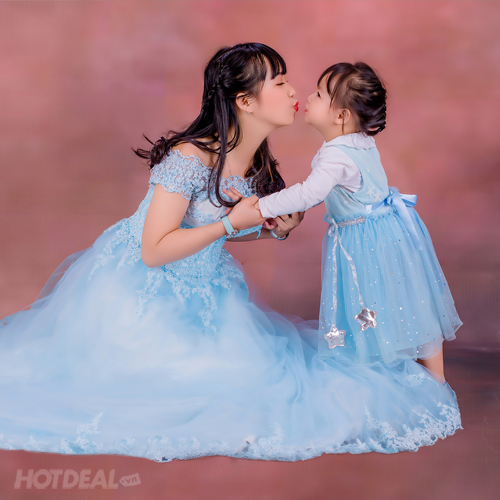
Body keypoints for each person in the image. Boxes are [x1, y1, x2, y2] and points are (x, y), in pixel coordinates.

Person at [0, 46, 461, 463]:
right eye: (280, 82)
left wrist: (268, 232)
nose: (294, 92)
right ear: (245, 101)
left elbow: (216, 229)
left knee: (255, 377)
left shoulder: (254, 160)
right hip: (141, 292)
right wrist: (230, 224)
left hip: (208, 290)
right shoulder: (189, 157)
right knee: (194, 387)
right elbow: (154, 250)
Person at [229, 62, 462, 381]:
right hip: (389, 233)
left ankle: (383, 374)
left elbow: (308, 193)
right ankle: (436, 380)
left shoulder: (336, 155)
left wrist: (259, 206)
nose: (307, 97)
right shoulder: (360, 140)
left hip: (365, 242)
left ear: (341, 116)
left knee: (372, 302)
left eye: (319, 94)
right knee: (406, 300)